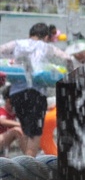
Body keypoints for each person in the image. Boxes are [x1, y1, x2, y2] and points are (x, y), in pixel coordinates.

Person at [0, 23, 75, 156]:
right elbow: (67, 58)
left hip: (16, 94)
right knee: (35, 134)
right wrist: (70, 75)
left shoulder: (17, 44)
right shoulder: (46, 47)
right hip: (36, 93)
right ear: (46, 37)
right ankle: (29, 170)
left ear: (30, 34)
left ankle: (27, 165)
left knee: (26, 130)